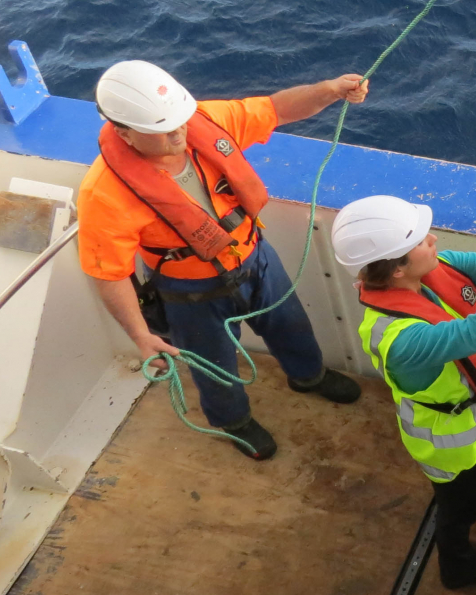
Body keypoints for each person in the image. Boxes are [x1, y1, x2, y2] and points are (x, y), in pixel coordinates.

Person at [80, 60, 369, 460]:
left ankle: (309, 377)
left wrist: (330, 89)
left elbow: (275, 109)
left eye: (180, 121)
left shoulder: (203, 122)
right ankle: (233, 422)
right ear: (124, 133)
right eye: (163, 130)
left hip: (256, 257)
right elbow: (108, 273)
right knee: (213, 367)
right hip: (189, 293)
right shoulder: (104, 194)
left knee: (292, 326)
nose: (179, 133)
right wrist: (140, 336)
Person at [331, 195, 476, 589]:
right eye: (422, 241)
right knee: (454, 506)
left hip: (466, 421)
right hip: (442, 437)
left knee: (470, 474)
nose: (433, 240)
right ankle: (458, 565)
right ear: (396, 270)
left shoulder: (426, 271)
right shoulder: (402, 340)